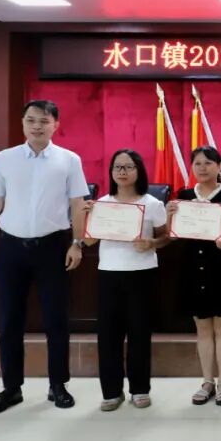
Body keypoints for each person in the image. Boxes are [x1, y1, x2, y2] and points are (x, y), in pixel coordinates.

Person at [0, 100, 89, 416]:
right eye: (31, 120)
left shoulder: (69, 160)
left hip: (53, 247)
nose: (37, 126)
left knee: (56, 319)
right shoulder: (4, 159)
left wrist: (77, 243)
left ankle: (58, 385)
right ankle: (11, 388)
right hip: (11, 248)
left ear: (55, 125)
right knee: (10, 320)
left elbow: (78, 204)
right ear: (23, 123)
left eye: (44, 121)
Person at [82, 149, 169, 411]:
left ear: (138, 171)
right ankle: (111, 392)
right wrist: (87, 216)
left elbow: (166, 237)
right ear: (111, 172)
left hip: (142, 273)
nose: (122, 172)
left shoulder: (152, 203)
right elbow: (89, 241)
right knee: (108, 336)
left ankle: (140, 389)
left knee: (139, 333)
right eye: (117, 167)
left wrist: (151, 243)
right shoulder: (102, 203)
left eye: (128, 167)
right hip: (109, 273)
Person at [168, 146, 221, 406]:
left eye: (208, 163)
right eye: (197, 164)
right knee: (202, 327)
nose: (202, 168)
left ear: (218, 166)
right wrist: (171, 217)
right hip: (192, 267)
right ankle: (207, 381)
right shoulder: (183, 196)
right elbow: (173, 235)